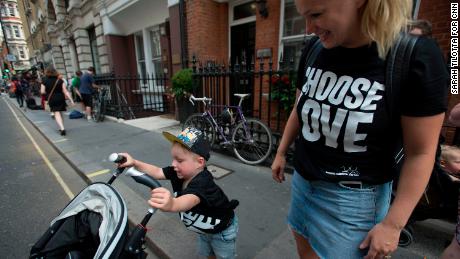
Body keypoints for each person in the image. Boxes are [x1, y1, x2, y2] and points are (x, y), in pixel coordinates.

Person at [271, 0, 448, 258]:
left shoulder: (415, 57)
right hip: (303, 183)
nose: (309, 28)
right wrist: (281, 150)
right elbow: (301, 106)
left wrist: (393, 224)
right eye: (303, 17)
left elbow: (421, 152)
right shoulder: (314, 49)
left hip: (354, 202)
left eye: (316, 14)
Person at [118, 127, 239, 259]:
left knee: (223, 256)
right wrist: (134, 162)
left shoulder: (203, 183)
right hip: (204, 231)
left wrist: (172, 204)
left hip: (222, 231)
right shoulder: (178, 172)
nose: (173, 164)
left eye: (179, 160)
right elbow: (158, 172)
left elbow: (190, 199)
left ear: (199, 162)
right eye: (173, 159)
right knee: (205, 254)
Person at [40, 66, 74, 136]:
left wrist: (48, 92)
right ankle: (61, 127)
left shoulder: (44, 80)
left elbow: (42, 91)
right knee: (60, 112)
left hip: (51, 98)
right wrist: (71, 100)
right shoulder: (60, 80)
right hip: (60, 98)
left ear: (47, 72)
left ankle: (62, 128)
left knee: (56, 113)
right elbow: (65, 91)